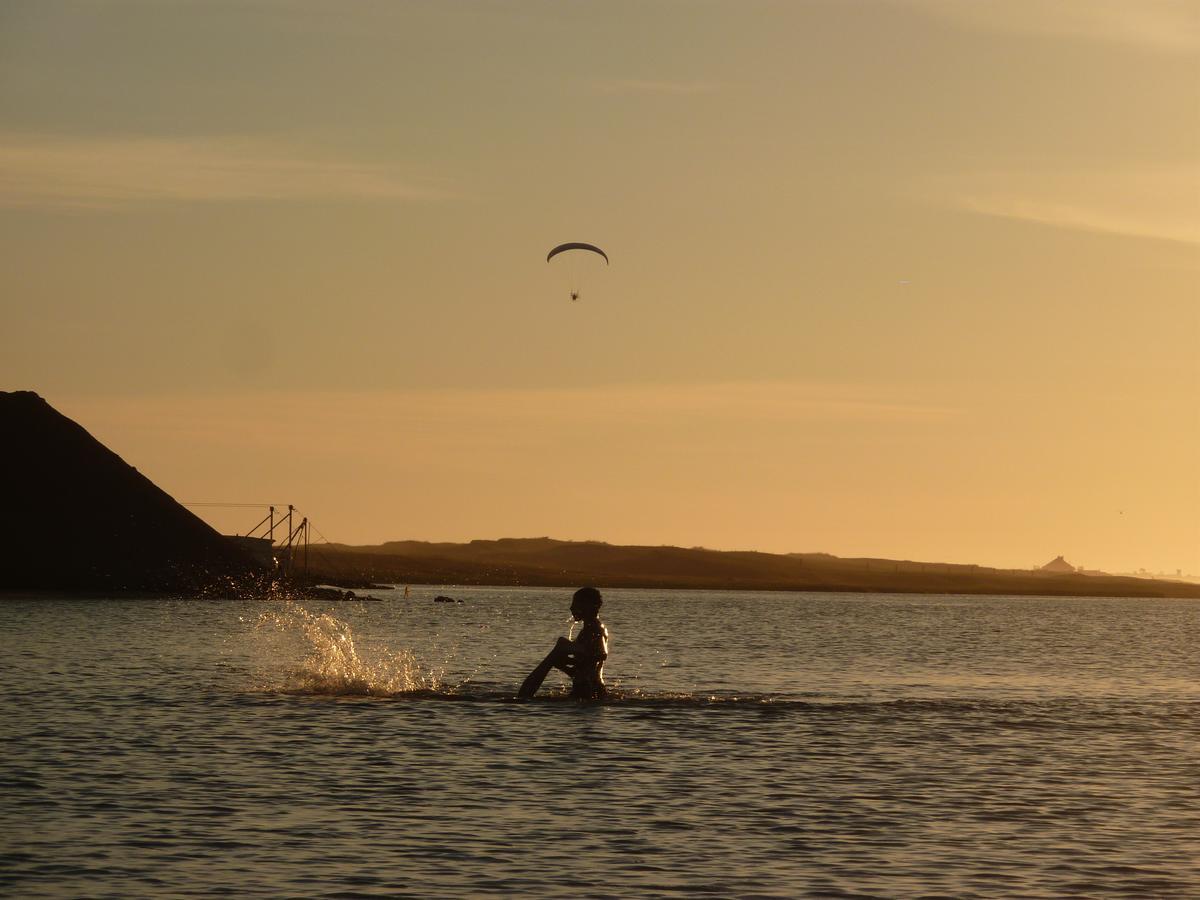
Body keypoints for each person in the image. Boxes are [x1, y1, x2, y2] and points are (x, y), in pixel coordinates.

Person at [518, 587, 609, 699]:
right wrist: (563, 664)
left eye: (577, 604)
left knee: (523, 697)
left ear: (591, 606)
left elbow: (602, 654)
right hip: (586, 691)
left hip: (590, 691)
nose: (571, 608)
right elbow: (583, 668)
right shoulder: (587, 629)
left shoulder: (595, 628)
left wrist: (571, 648)